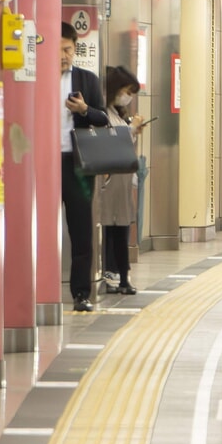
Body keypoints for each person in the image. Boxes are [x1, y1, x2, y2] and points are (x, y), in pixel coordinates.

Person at [59, 22, 108, 313]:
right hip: (41, 163)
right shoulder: (33, 77)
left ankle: (81, 293)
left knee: (80, 229)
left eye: (68, 49)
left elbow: (102, 118)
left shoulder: (85, 79)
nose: (63, 55)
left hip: (76, 164)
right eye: (58, 49)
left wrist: (84, 111)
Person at [100, 66, 146, 296]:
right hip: (109, 181)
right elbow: (110, 142)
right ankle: (110, 272)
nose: (127, 96)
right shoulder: (103, 113)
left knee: (122, 227)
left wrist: (133, 131)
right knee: (110, 226)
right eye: (126, 91)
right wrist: (131, 130)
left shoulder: (118, 113)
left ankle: (123, 275)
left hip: (123, 180)